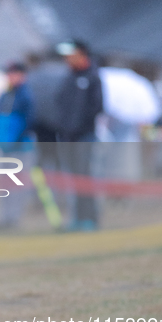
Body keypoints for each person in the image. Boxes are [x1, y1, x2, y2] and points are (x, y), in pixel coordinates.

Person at [54, 41, 103, 231]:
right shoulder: (68, 78)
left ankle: (90, 219)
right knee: (73, 179)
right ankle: (77, 218)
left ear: (82, 54)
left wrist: (79, 126)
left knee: (86, 178)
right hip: (68, 137)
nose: (67, 59)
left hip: (85, 136)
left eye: (70, 55)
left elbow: (97, 107)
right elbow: (60, 104)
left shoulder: (92, 77)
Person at [0, 62, 35, 229]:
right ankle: (4, 217)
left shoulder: (26, 96)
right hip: (3, 146)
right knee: (3, 184)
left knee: (17, 184)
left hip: (19, 147)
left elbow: (29, 121)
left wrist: (17, 139)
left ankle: (14, 217)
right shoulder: (5, 95)